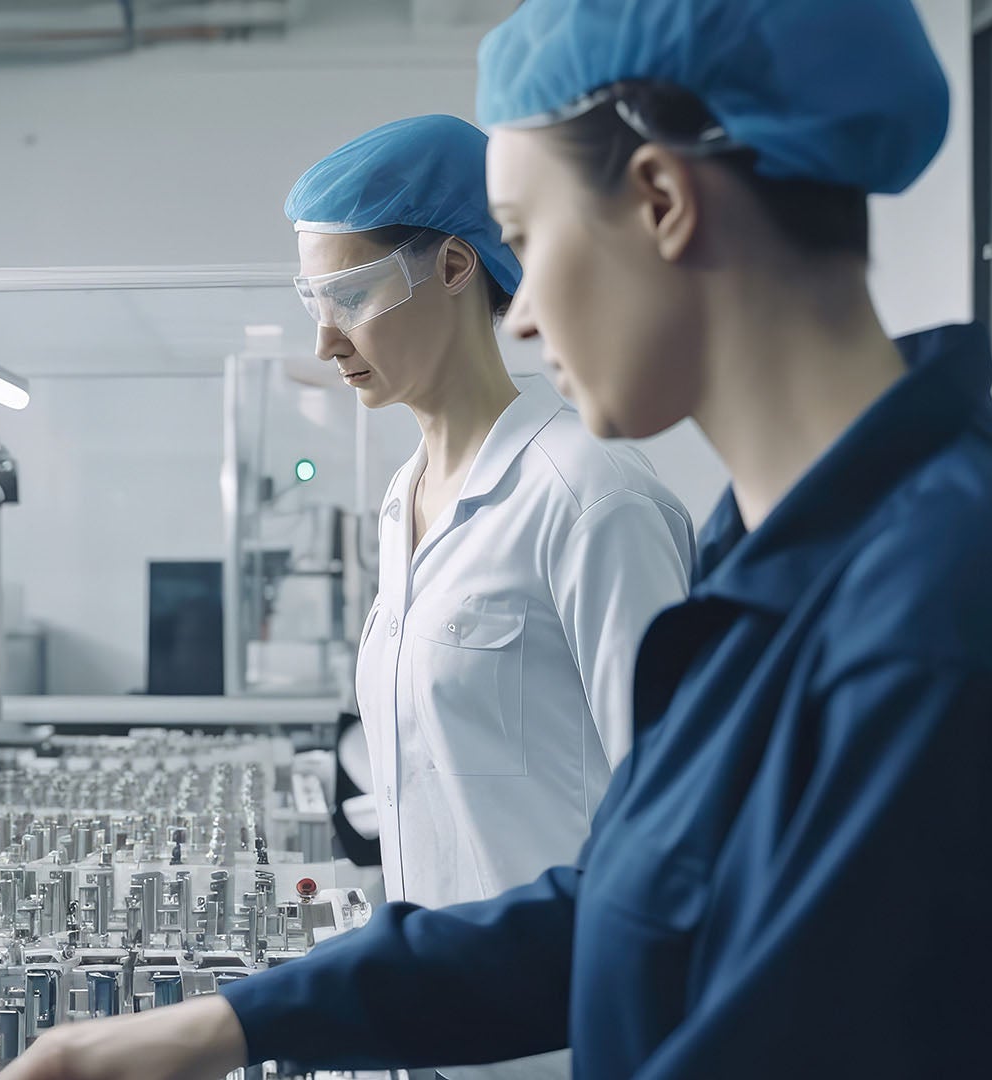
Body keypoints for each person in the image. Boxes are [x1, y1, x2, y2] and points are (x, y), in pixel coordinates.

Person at [0, 1, 992, 1078]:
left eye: (528, 241)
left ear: (664, 201)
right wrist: (231, 1023)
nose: (522, 313)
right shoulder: (781, 561)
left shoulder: (954, 613)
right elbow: (633, 909)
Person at [289, 115, 694, 1080]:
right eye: (311, 299)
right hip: (435, 1032)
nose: (324, 338)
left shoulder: (592, 498)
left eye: (350, 295)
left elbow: (680, 837)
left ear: (458, 266)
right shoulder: (401, 502)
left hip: (564, 1046)